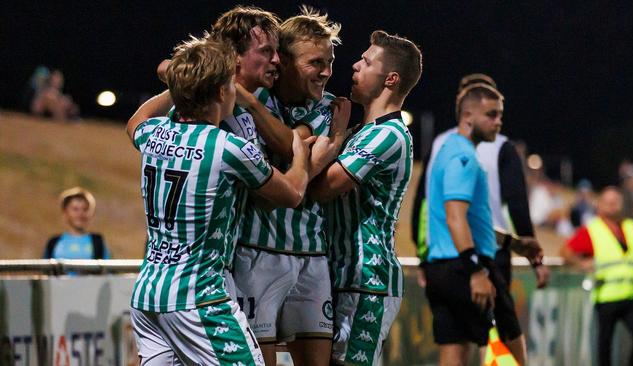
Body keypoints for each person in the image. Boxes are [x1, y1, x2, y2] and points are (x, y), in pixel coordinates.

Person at [126, 36, 315, 365]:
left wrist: (183, 84)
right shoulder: (229, 148)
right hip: (198, 297)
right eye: (229, 83)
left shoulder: (153, 133)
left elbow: (136, 120)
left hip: (148, 296)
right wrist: (301, 154)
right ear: (219, 92)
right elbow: (292, 193)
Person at [231, 8, 347, 366]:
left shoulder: (330, 108)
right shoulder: (257, 96)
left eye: (329, 61)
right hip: (257, 254)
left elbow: (293, 163)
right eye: (315, 62)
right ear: (286, 63)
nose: (326, 72)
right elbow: (291, 171)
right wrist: (328, 143)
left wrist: (309, 147)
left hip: (312, 259)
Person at [416, 74, 547, 364]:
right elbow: (455, 218)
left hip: (442, 266)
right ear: (467, 116)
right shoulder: (463, 157)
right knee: (510, 336)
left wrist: (514, 244)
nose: (499, 122)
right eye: (491, 115)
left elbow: (471, 221)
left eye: (500, 115)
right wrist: (476, 271)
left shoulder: (445, 149)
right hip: (466, 266)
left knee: (454, 348)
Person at [310, 30, 422, 365]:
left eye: (366, 61)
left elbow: (324, 187)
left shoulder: (390, 135)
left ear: (390, 79)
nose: (355, 66)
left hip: (367, 281)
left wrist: (332, 138)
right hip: (341, 277)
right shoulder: (363, 132)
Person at [562, 186, 633, 366]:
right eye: (608, 202)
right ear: (600, 205)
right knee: (605, 345)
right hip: (606, 296)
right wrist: (582, 264)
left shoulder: (631, 228)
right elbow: (566, 251)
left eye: (616, 202)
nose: (612, 206)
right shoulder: (592, 229)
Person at [44, 187, 109, 260]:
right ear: (65, 213)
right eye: (75, 209)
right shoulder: (54, 243)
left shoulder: (98, 241)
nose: (80, 214)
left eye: (85, 209)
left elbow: (107, 269)